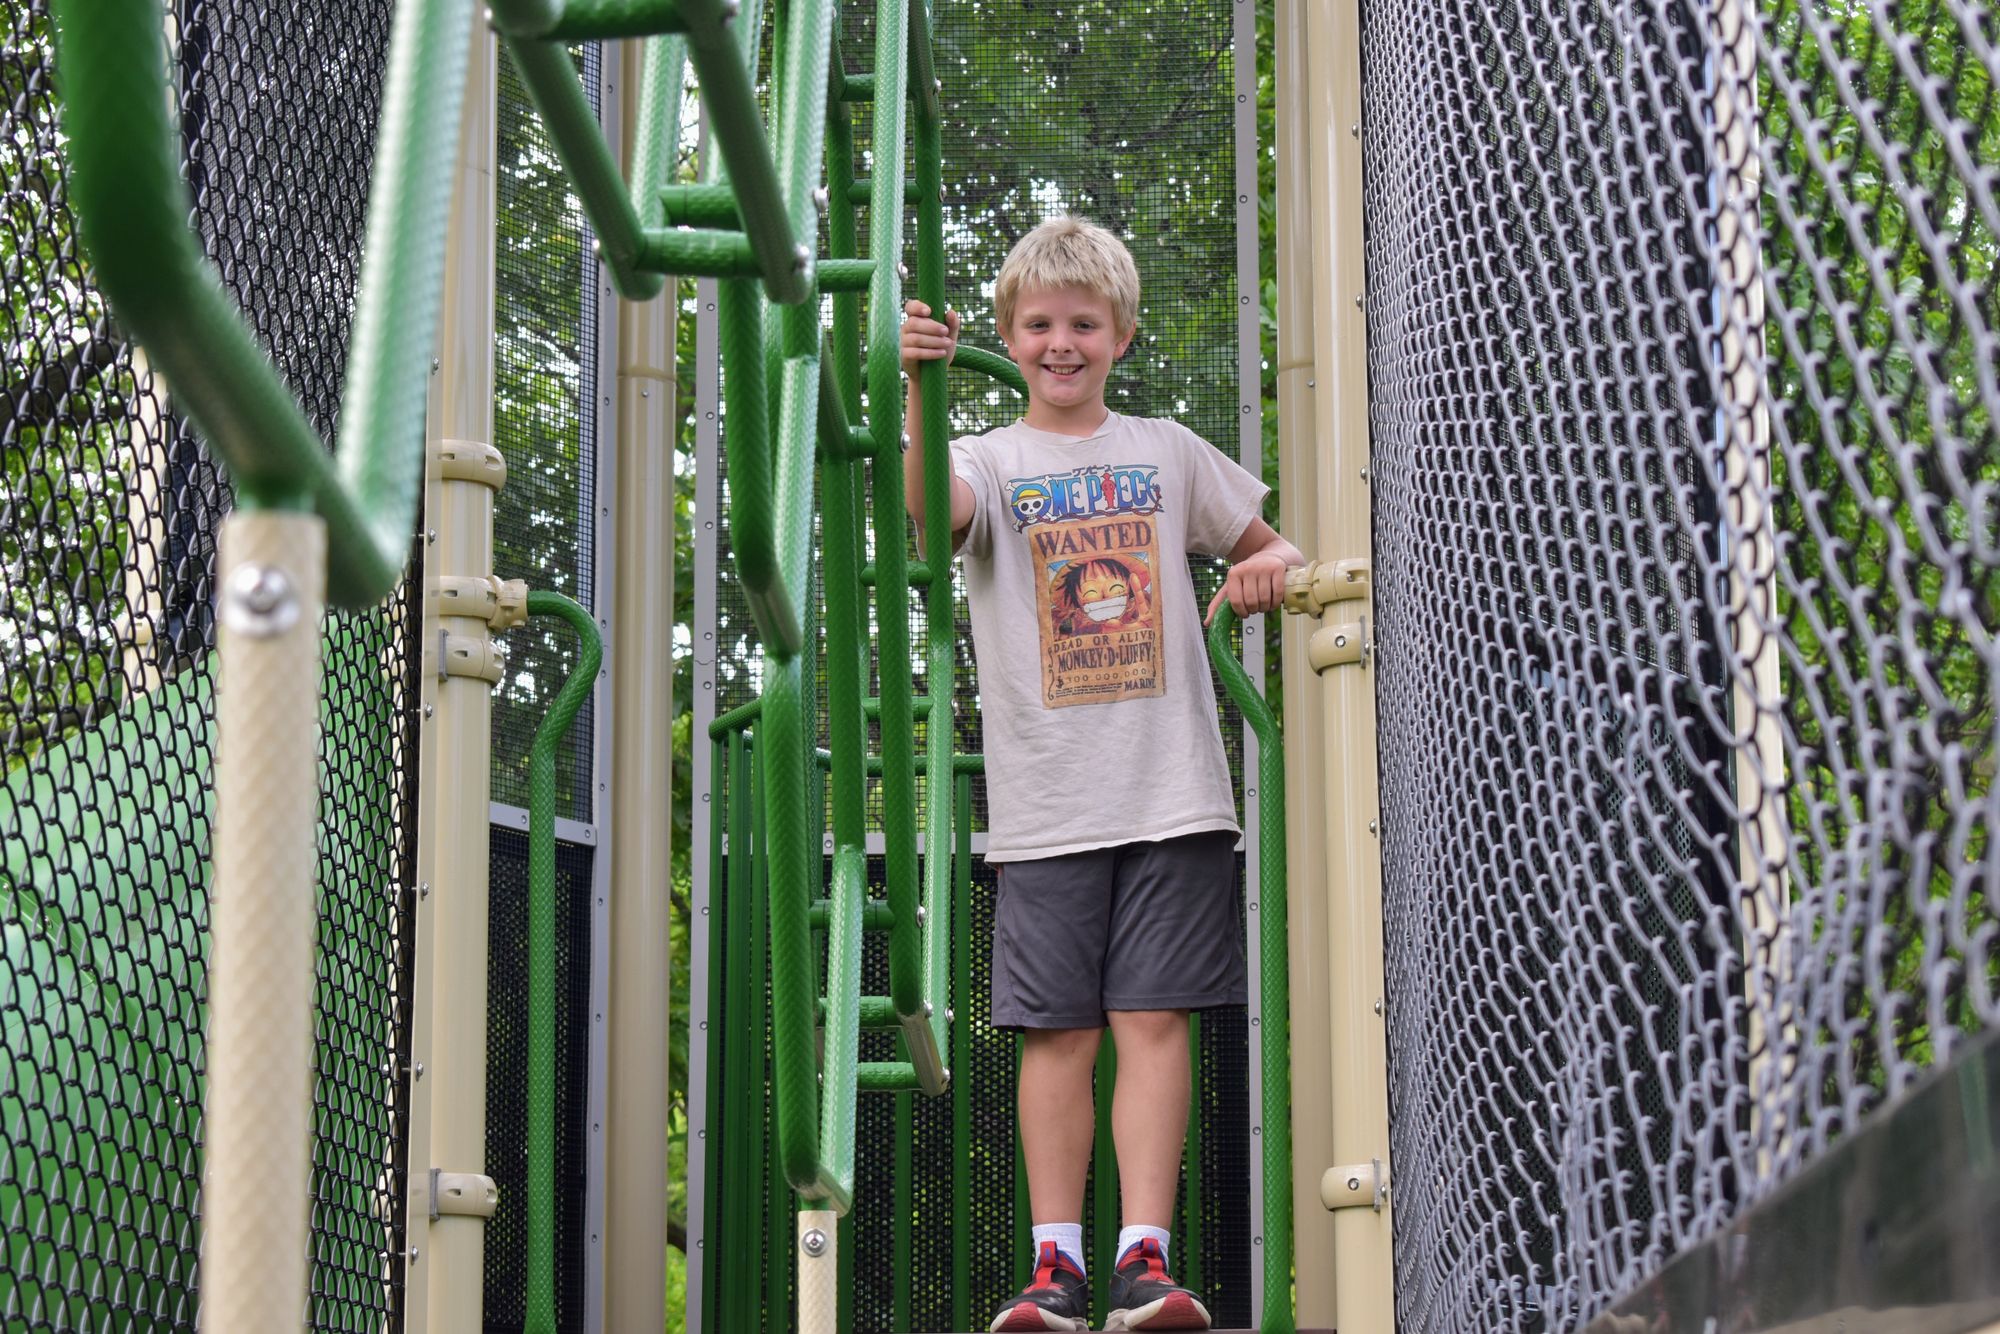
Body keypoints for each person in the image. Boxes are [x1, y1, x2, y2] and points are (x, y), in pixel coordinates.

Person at [900, 215, 1304, 1332]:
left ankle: (1142, 1259)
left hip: (1171, 790)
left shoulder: (1165, 451)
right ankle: (1055, 1266)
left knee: (1152, 1023)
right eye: (1038, 324)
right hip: (1048, 802)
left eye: (1083, 323)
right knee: (1058, 1034)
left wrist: (1266, 567)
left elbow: (1269, 543)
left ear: (1120, 334)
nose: (1060, 343)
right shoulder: (989, 457)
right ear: (1008, 336)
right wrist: (920, 390)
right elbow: (931, 513)